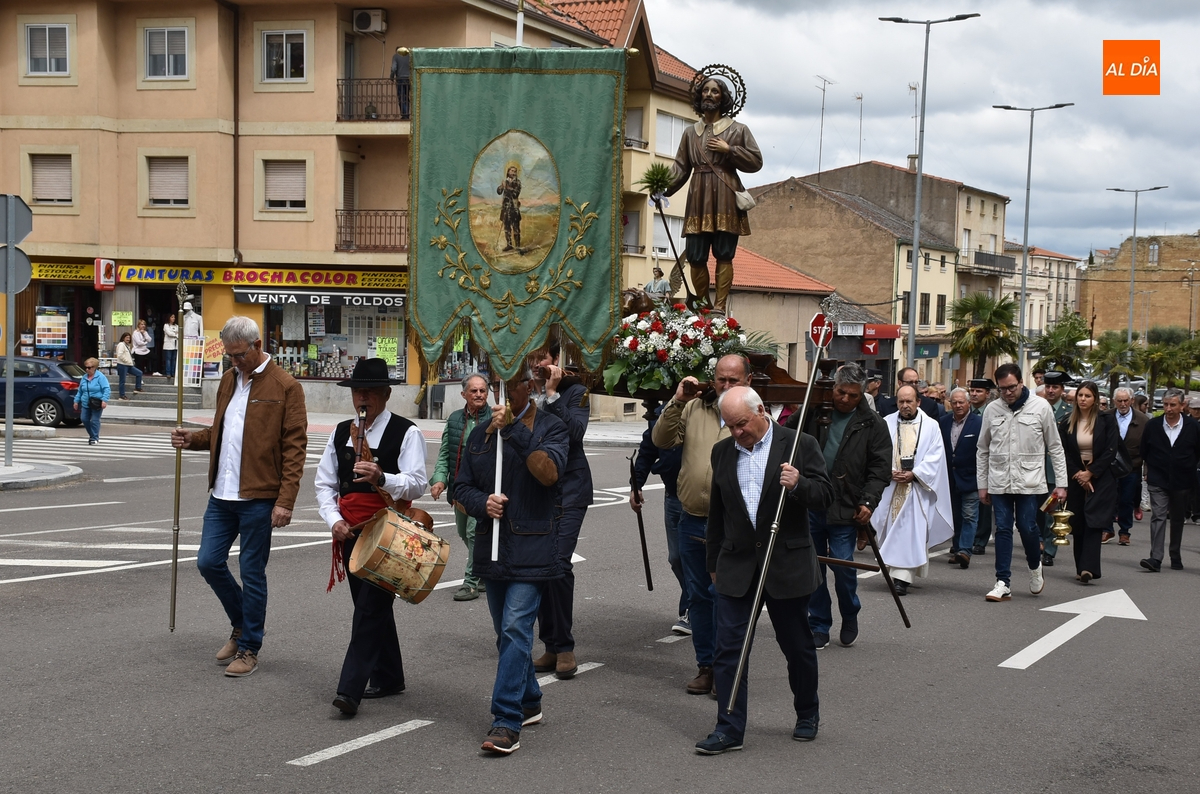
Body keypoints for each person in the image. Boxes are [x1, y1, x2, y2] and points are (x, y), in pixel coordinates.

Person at [694, 386, 832, 755]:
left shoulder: (798, 442)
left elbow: (825, 496)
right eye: (730, 426)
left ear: (760, 412)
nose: (737, 432)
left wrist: (799, 484)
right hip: (737, 564)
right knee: (729, 650)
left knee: (796, 646)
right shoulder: (722, 452)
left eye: (741, 424)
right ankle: (729, 727)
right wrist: (713, 565)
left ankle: (807, 712)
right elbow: (718, 514)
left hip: (785, 562)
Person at [170, 317, 308, 677]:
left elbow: (295, 447)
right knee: (207, 562)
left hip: (260, 497)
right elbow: (223, 430)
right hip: (222, 493)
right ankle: (240, 624)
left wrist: (286, 500)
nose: (234, 362)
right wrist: (194, 439)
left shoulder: (285, 386)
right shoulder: (230, 380)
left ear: (257, 345)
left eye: (239, 355)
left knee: (252, 572)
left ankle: (249, 648)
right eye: (229, 356)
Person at [453, 366, 569, 755]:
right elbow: (462, 485)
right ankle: (530, 699)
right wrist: (480, 503)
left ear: (528, 388)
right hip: (493, 546)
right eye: (496, 385)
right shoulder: (481, 434)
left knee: (518, 628)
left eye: (509, 386)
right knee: (506, 633)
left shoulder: (551, 427)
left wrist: (514, 432)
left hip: (533, 547)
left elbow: (549, 473)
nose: (501, 395)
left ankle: (506, 719)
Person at [315, 359, 426, 717]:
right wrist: (333, 520)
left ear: (385, 395)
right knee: (370, 606)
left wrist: (383, 477)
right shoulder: (339, 433)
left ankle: (349, 691)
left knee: (368, 610)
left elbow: (417, 483)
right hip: (351, 533)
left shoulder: (406, 433)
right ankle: (390, 676)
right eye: (357, 392)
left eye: (369, 393)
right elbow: (324, 484)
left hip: (389, 533)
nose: (361, 399)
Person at [653, 354, 752, 695]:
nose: (726, 386)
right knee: (698, 595)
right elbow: (661, 440)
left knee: (726, 596)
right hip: (693, 518)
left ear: (747, 382)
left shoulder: (753, 413)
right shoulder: (694, 408)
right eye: (721, 379)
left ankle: (729, 668)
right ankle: (706, 665)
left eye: (734, 380)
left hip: (734, 525)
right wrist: (678, 400)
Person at [786, 362, 891, 649]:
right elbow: (783, 435)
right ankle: (819, 623)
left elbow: (880, 469)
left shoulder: (873, 424)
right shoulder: (812, 412)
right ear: (833, 388)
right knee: (814, 568)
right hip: (810, 501)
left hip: (846, 507)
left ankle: (850, 612)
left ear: (863, 394)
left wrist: (868, 501)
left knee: (844, 569)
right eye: (841, 392)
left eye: (853, 395)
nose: (845, 399)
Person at [662, 72, 763, 315]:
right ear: (699, 96)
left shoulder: (738, 129)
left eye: (715, 91)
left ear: (723, 98)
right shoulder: (690, 133)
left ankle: (720, 306)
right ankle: (703, 306)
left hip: (725, 194)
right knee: (696, 256)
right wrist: (661, 188)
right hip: (698, 196)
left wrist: (730, 149)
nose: (709, 94)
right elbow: (680, 167)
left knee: (724, 253)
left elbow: (756, 161)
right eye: (705, 90)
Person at [976, 363, 1067, 602]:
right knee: (1003, 528)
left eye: (1012, 387)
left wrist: (1061, 484)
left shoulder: (1041, 407)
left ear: (1021, 383)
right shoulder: (992, 410)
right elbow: (982, 449)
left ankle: (1035, 567)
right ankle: (1002, 581)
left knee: (1028, 526)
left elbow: (1055, 447)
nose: (1008, 392)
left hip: (1030, 480)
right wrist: (982, 484)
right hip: (999, 479)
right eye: (1002, 388)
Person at [531, 344, 593, 680]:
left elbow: (576, 433)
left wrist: (553, 395)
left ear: (555, 361)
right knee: (541, 565)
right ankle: (551, 646)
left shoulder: (576, 391)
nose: (537, 364)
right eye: (532, 359)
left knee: (558, 562)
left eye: (542, 358)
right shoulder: (525, 391)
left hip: (570, 487)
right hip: (536, 489)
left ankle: (564, 645)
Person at [871, 385, 954, 595]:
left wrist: (915, 474)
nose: (905, 405)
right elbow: (876, 451)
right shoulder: (886, 423)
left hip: (917, 489)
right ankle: (895, 573)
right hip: (891, 487)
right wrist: (889, 471)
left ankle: (902, 579)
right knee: (890, 529)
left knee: (909, 532)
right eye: (901, 401)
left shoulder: (931, 426)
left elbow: (935, 457)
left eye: (909, 401)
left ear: (918, 402)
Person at [430, 373, 491, 602]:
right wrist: (439, 480)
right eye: (473, 391)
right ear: (463, 394)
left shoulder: (496, 418)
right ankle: (484, 572)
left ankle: (471, 583)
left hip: (484, 489)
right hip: (460, 489)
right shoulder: (455, 419)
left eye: (482, 390)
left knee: (474, 533)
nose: (478, 394)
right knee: (463, 532)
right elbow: (445, 453)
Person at [631, 403, 689, 635]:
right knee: (676, 558)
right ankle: (696, 603)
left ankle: (691, 609)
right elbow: (646, 453)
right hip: (673, 497)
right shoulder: (662, 418)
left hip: (699, 499)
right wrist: (636, 486)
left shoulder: (699, 415)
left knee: (697, 559)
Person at [1057, 381, 1120, 584]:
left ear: (1095, 399)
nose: (1083, 399)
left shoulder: (1107, 420)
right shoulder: (1067, 421)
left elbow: (1111, 449)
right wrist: (1078, 474)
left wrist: (1091, 472)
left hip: (1101, 476)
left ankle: (1089, 568)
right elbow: (1062, 452)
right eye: (1080, 395)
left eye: (1088, 396)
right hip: (1076, 476)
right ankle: (1080, 566)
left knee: (1094, 520)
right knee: (1078, 521)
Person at [1138, 389, 1200, 572]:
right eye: (1165, 404)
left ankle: (1175, 554)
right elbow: (1144, 451)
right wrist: (1150, 470)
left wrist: (1187, 465)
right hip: (1158, 479)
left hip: (1183, 480)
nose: (1168, 408)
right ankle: (1155, 557)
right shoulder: (1153, 425)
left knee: (1177, 518)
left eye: (1173, 405)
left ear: (1182, 406)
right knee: (1158, 516)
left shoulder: (1193, 427)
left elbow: (1197, 452)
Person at [940, 387, 982, 568]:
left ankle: (965, 550)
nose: (957, 406)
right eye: (954, 402)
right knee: (955, 515)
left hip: (971, 478)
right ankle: (957, 548)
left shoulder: (979, 423)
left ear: (968, 403)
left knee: (969, 515)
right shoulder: (942, 422)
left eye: (961, 402)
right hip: (949, 477)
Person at [1038, 371, 1074, 567]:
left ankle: (1049, 551)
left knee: (1051, 512)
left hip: (1054, 469)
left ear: (1062, 390)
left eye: (1055, 387)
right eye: (1048, 387)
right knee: (1036, 512)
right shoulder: (1037, 408)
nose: (1051, 390)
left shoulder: (1069, 412)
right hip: (1035, 468)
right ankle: (1038, 543)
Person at [1111, 386, 1149, 545]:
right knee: (1108, 499)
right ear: (1115, 401)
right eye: (1119, 401)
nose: (1123, 404)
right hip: (1109, 466)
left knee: (1126, 500)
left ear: (1132, 401)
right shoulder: (1106, 416)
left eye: (1126, 400)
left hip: (1132, 467)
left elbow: (1148, 448)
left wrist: (1147, 470)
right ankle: (1107, 530)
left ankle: (1124, 532)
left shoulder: (1143, 420)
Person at [967, 378, 996, 555]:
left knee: (984, 503)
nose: (974, 394)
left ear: (987, 394)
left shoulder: (992, 413)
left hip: (986, 464)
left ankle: (980, 540)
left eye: (979, 391)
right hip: (967, 463)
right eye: (972, 391)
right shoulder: (964, 410)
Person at [877, 368, 942, 419]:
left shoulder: (930, 405)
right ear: (900, 383)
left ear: (918, 402)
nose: (914, 385)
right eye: (910, 382)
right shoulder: (886, 406)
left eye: (916, 382)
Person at [74, 358, 110, 446]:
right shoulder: (84, 377)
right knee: (84, 419)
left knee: (94, 420)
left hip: (96, 403)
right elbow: (80, 391)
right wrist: (76, 401)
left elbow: (106, 389)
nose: (87, 369)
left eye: (89, 367)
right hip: (86, 402)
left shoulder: (100, 377)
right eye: (86, 367)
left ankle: (94, 438)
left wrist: (104, 400)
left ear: (94, 367)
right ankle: (93, 435)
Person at [497, 165, 523, 253]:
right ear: (508, 172)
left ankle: (518, 247)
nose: (514, 173)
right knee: (507, 228)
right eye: (512, 171)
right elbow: (499, 192)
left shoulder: (518, 183)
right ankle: (509, 245)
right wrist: (501, 186)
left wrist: (507, 188)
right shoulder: (505, 181)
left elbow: (516, 194)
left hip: (514, 209)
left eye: (515, 171)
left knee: (516, 228)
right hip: (505, 209)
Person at [114, 332, 143, 400]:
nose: (128, 339)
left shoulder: (127, 345)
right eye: (126, 337)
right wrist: (126, 361)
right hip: (122, 365)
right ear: (123, 338)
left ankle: (138, 387)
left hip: (128, 365)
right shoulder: (121, 344)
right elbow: (120, 355)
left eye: (129, 338)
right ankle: (122, 395)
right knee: (122, 381)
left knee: (139, 373)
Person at [390, 46, 411, 118]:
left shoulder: (396, 56)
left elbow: (393, 68)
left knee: (402, 97)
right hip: (409, 79)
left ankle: (405, 115)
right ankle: (407, 113)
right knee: (407, 97)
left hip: (400, 79)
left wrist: (391, 78)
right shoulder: (410, 56)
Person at [162, 313, 180, 380]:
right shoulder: (166, 325)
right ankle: (168, 373)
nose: (173, 318)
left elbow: (179, 333)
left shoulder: (176, 326)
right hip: (168, 345)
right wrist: (175, 334)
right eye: (172, 317)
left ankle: (173, 373)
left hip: (175, 345)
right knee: (168, 359)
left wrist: (175, 334)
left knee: (174, 359)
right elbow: (169, 333)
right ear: (169, 318)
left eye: (174, 317)